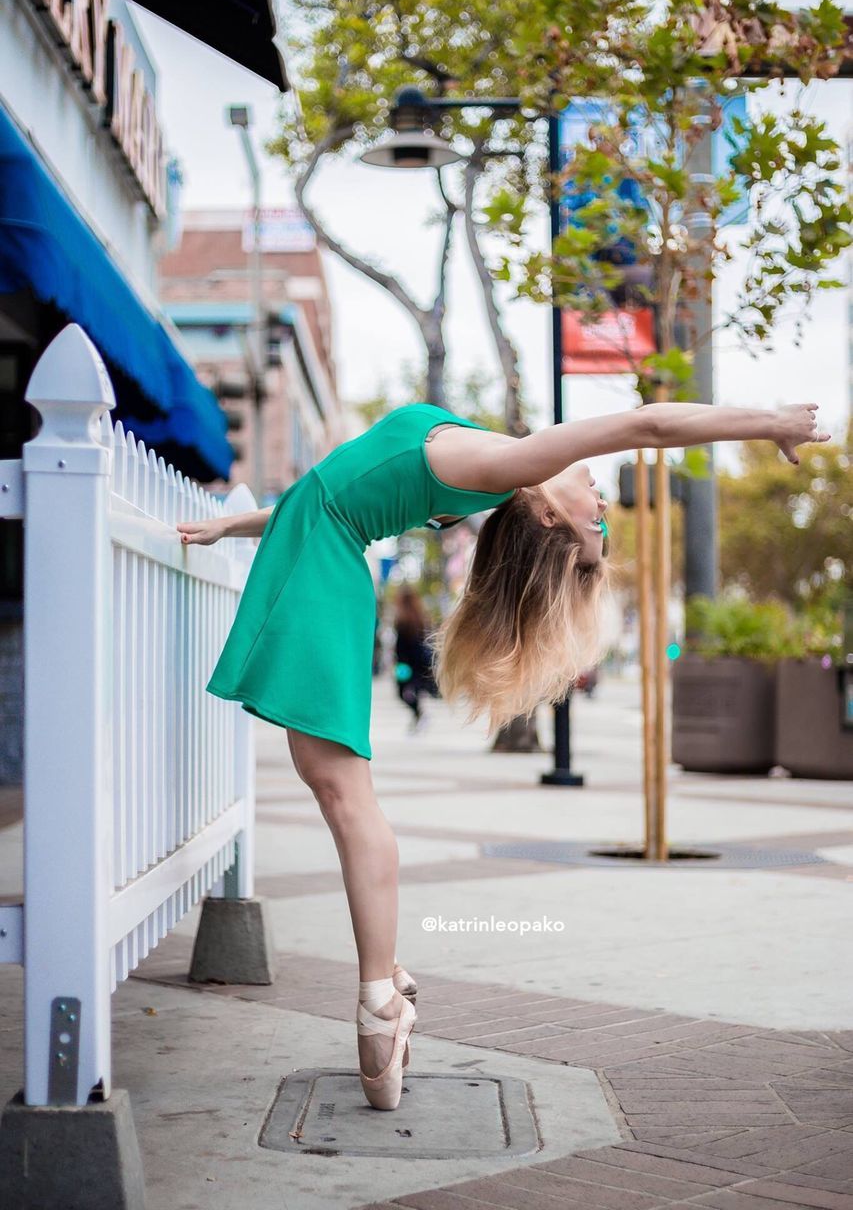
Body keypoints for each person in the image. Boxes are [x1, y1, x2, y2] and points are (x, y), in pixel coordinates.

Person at [175, 399, 828, 1110]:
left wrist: (767, 423)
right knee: (338, 792)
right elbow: (336, 489)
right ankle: (382, 983)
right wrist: (236, 524)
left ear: (549, 515)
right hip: (319, 564)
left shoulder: (509, 465)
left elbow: (646, 426)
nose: (601, 503)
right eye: (602, 521)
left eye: (594, 523)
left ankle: (377, 1004)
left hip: (321, 577)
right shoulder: (482, 479)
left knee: (342, 796)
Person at [392, 585, 437, 732]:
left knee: (403, 691)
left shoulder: (403, 620)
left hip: (406, 665)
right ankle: (419, 716)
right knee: (410, 691)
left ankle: (419, 715)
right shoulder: (420, 618)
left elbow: (404, 646)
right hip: (416, 664)